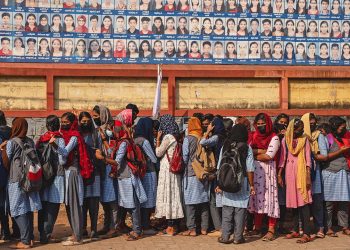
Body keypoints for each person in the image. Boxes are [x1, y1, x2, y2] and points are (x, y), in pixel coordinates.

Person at [49, 112, 93, 246]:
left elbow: (66, 151)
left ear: (73, 123)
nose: (63, 124)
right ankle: (75, 233)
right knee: (69, 205)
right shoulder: (64, 136)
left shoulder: (74, 136)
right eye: (62, 122)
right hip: (67, 173)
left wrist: (55, 145)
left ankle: (78, 237)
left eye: (66, 122)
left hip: (73, 173)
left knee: (75, 204)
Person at [1, 118, 42, 249]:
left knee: (17, 210)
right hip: (30, 179)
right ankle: (29, 238)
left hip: (16, 181)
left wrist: (2, 150)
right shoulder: (30, 141)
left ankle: (24, 241)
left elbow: (6, 163)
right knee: (28, 208)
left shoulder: (11, 143)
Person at [217, 124, 255, 244]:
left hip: (227, 181)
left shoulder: (225, 146)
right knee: (240, 210)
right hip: (241, 182)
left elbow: (219, 166)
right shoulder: (246, 147)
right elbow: (250, 168)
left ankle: (225, 237)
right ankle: (238, 238)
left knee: (227, 210)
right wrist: (251, 184)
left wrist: (220, 183)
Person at [278, 119, 313, 243]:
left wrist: (308, 176)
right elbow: (282, 158)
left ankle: (307, 233)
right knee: (293, 202)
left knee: (303, 203)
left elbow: (308, 159)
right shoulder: (284, 140)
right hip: (289, 172)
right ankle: (296, 230)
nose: (301, 130)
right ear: (293, 129)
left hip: (301, 172)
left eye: (302, 128)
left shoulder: (305, 141)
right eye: (299, 128)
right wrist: (279, 174)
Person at [248, 113, 280, 241]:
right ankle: (257, 228)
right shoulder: (253, 136)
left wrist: (255, 154)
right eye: (258, 124)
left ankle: (271, 229)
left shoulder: (274, 137)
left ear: (268, 124)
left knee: (270, 199)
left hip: (268, 173)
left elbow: (269, 156)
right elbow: (248, 151)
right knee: (257, 199)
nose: (260, 126)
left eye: (263, 124)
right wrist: (261, 151)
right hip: (255, 173)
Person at [91, 105, 119, 238]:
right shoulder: (97, 129)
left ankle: (114, 227)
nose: (94, 118)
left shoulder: (110, 129)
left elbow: (112, 150)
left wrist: (103, 140)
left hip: (109, 166)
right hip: (100, 166)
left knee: (111, 200)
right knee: (105, 200)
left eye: (96, 116)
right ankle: (107, 225)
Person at [36, 116, 65, 244]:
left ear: (47, 125)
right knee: (53, 206)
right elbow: (62, 159)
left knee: (43, 205)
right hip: (57, 176)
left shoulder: (41, 138)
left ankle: (42, 233)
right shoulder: (59, 138)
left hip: (43, 175)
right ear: (58, 124)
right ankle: (46, 235)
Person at [321, 116, 350, 237]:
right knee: (328, 202)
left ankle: (344, 226)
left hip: (344, 172)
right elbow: (324, 156)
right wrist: (341, 150)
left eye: (344, 127)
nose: (343, 128)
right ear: (334, 126)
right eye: (341, 127)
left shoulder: (347, 137)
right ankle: (328, 227)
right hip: (330, 172)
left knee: (344, 201)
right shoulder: (327, 138)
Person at [155, 115, 184, 236]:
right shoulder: (177, 136)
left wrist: (157, 139)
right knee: (173, 195)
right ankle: (174, 225)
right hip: (174, 170)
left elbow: (158, 153)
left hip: (167, 170)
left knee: (168, 195)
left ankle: (170, 227)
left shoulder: (167, 137)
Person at [181, 117, 209, 236]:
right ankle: (204, 228)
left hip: (191, 173)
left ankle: (192, 229)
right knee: (203, 201)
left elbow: (185, 156)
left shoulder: (188, 139)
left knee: (190, 202)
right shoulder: (203, 137)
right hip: (203, 172)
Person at [301, 113, 325, 238]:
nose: (312, 125)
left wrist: (314, 156)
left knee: (317, 201)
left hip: (315, 170)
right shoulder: (300, 135)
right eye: (309, 123)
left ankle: (320, 227)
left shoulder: (318, 136)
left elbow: (324, 155)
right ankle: (303, 227)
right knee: (303, 200)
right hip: (301, 170)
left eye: (313, 123)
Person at [78, 112, 101, 240]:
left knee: (94, 203)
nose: (85, 123)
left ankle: (94, 229)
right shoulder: (77, 134)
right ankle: (83, 228)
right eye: (83, 121)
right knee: (83, 203)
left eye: (87, 120)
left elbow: (100, 151)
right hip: (81, 172)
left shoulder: (95, 134)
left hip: (94, 171)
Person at [200, 117, 225, 237]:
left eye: (211, 124)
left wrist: (208, 132)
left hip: (217, 171)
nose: (209, 126)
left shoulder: (216, 137)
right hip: (223, 170)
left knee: (213, 200)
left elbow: (202, 143)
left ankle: (219, 227)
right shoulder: (225, 136)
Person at [133, 118, 158, 235]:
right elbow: (153, 158)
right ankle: (146, 226)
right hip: (149, 172)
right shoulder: (145, 141)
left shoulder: (134, 140)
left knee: (142, 200)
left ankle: (143, 224)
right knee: (149, 199)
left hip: (139, 173)